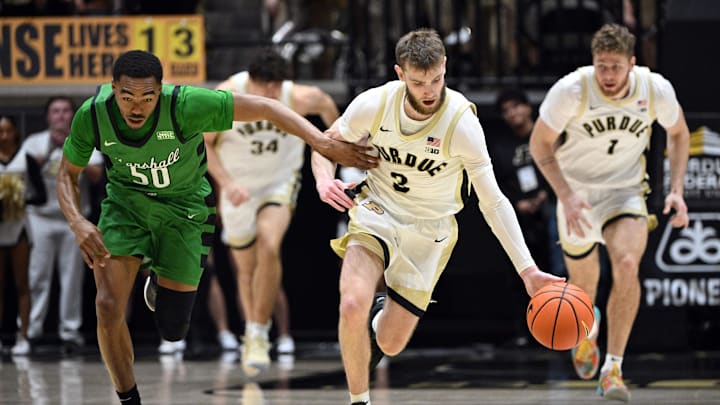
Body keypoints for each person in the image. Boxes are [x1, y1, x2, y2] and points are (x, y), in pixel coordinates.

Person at [56, 49, 377, 405]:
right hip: (127, 207)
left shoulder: (187, 104)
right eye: (127, 96)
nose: (136, 107)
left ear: (160, 91)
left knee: (174, 328)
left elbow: (268, 108)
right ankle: (129, 399)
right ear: (113, 89)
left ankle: (160, 274)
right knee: (107, 306)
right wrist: (77, 221)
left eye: (147, 97)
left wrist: (322, 143)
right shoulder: (93, 115)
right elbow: (67, 173)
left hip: (184, 209)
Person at [310, 28, 564, 405]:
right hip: (378, 211)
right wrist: (323, 180)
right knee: (351, 303)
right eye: (418, 82)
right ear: (400, 74)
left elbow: (493, 201)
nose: (429, 90)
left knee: (391, 343)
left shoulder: (461, 122)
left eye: (436, 79)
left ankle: (381, 317)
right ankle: (359, 400)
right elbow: (323, 145)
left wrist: (527, 270)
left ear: (445, 66)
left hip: (430, 231)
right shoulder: (374, 104)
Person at [529, 23, 690, 402]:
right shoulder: (572, 90)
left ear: (632, 63)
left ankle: (613, 369)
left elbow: (679, 133)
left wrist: (678, 190)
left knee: (628, 263)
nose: (609, 75)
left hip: (625, 191)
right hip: (577, 195)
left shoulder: (654, 90)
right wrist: (565, 196)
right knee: (583, 289)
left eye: (616, 67)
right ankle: (589, 330)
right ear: (593, 62)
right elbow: (540, 145)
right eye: (602, 66)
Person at [204, 48, 339, 375]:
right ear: (250, 81)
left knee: (269, 243)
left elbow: (328, 108)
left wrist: (342, 153)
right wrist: (225, 182)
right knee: (245, 269)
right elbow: (202, 143)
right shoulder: (226, 96)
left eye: (275, 87)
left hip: (279, 182)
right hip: (239, 187)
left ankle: (259, 332)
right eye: (264, 87)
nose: (270, 94)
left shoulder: (300, 96)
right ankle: (253, 328)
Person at [23, 96, 104, 354]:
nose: (60, 115)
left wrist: (71, 155)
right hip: (41, 218)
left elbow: (97, 175)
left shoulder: (84, 140)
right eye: (55, 111)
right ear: (48, 116)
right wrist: (48, 152)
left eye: (65, 111)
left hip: (75, 221)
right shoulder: (34, 142)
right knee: (37, 276)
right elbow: (18, 176)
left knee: (72, 279)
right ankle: (31, 332)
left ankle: (70, 332)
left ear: (73, 115)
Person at [491, 88, 566, 347]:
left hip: (553, 207)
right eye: (507, 110)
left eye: (516, 106)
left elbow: (563, 165)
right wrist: (518, 202)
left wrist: (546, 193)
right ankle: (529, 328)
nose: (513, 113)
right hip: (521, 214)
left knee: (558, 268)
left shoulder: (545, 135)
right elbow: (497, 183)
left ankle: (561, 324)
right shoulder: (502, 147)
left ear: (528, 107)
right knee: (521, 272)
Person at [0, 114, 46, 356]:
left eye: (8, 131)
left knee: (22, 284)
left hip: (19, 227)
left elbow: (41, 196)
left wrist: (19, 198)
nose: (4, 136)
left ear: (15, 133)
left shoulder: (25, 158)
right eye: (1, 132)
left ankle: (23, 335)